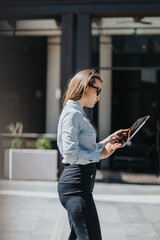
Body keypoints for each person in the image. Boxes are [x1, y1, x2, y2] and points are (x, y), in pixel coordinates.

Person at [57, 69, 130, 240]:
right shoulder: (72, 114)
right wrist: (100, 156)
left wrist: (108, 140)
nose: (99, 96)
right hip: (76, 187)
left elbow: (84, 147)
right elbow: (71, 154)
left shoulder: (77, 112)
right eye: (98, 90)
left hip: (79, 186)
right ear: (85, 87)